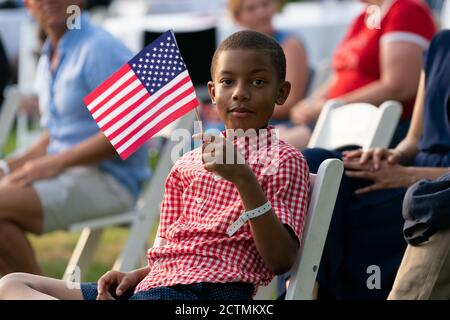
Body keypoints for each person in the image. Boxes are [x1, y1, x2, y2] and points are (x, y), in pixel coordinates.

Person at [0, 30, 310, 300]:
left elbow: (280, 260)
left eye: (257, 82)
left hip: (211, 292)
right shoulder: (188, 163)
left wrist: (244, 179)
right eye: (228, 82)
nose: (240, 92)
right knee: (14, 284)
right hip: (160, 284)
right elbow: (178, 250)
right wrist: (138, 275)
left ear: (280, 92)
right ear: (213, 93)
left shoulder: (283, 159)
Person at [297, 29, 450, 300]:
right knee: (317, 162)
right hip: (412, 169)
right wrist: (390, 155)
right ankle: (301, 288)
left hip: (437, 189)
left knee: (341, 208)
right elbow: (414, 137)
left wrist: (406, 175)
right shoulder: (441, 43)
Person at [0, 0, 150, 275]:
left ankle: (38, 294)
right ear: (28, 5)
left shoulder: (99, 48)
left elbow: (128, 131)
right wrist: (8, 167)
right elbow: (54, 136)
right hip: (69, 173)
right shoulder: (50, 51)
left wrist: (56, 163)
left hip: (110, 180)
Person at [281, 0, 436, 149]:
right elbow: (341, 73)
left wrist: (331, 106)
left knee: (272, 150)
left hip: (372, 126)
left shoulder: (406, 10)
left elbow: (399, 86)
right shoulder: (366, 16)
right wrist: (310, 103)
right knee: (267, 141)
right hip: (336, 118)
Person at [227, 0, 310, 124]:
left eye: (265, 4)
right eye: (251, 9)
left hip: (277, 123)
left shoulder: (289, 45)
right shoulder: (237, 50)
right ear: (238, 18)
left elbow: (289, 103)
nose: (261, 13)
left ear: (275, 5)